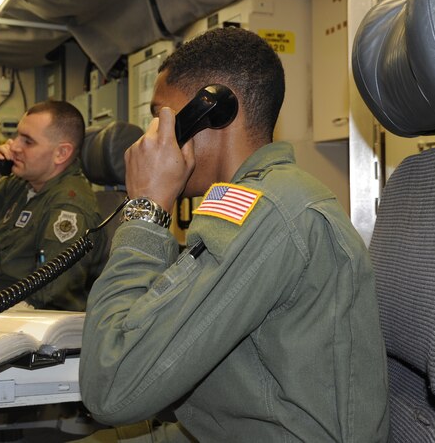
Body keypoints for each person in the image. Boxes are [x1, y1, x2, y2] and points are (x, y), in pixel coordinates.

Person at [78, 28, 390, 441]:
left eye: (159, 118)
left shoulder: (269, 212)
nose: (149, 139)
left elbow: (112, 389)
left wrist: (146, 208)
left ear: (215, 111)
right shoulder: (249, 201)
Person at [0, 100, 106, 311]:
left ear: (61, 153)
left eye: (28, 141)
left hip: (19, 320)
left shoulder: (69, 208)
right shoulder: (19, 184)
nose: (13, 146)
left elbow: (48, 298)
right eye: (17, 136)